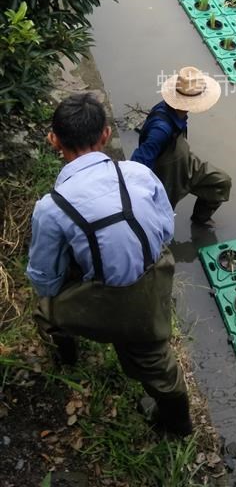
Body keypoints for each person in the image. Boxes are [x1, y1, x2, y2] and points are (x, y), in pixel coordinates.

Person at [26, 93, 192, 437]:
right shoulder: (137, 174)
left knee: (46, 311)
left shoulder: (51, 207)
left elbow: (44, 278)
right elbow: (165, 228)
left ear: (53, 139)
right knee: (157, 362)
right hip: (157, 274)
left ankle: (68, 356)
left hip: (119, 299)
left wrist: (74, 288)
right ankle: (177, 426)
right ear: (105, 134)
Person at [131, 66, 231, 224]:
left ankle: (200, 220)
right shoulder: (161, 129)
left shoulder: (177, 112)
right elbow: (138, 163)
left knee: (220, 182)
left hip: (185, 163)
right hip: (165, 175)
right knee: (161, 219)